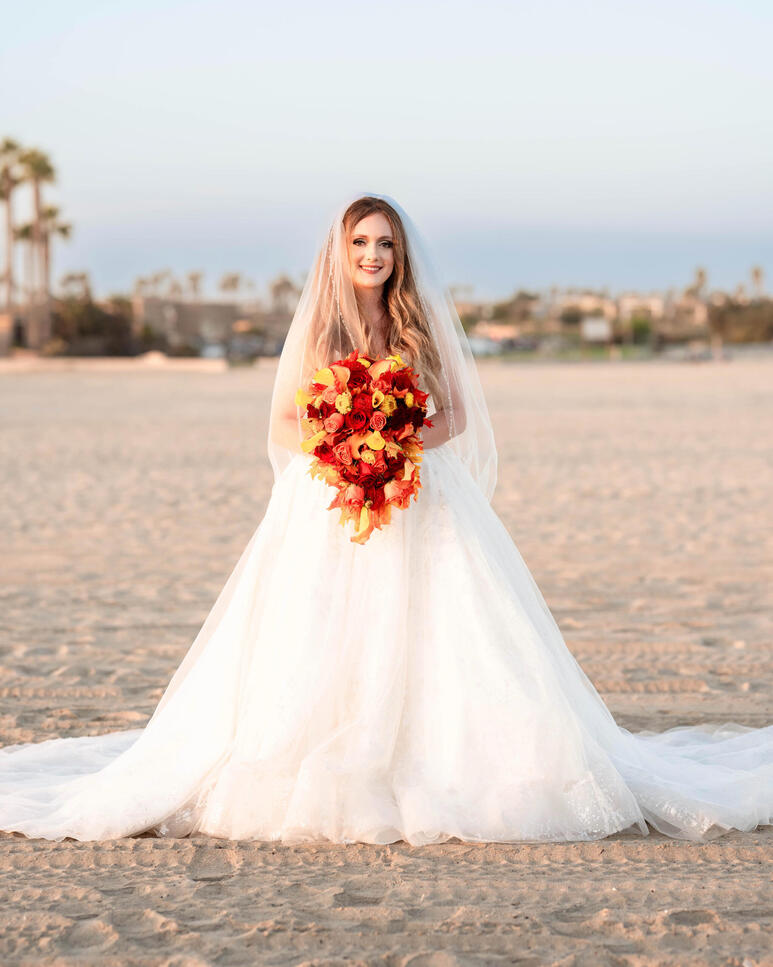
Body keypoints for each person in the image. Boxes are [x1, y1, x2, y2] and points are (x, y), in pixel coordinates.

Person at [0, 192, 771, 846]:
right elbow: (281, 424)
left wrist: (399, 443)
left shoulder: (416, 326)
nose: (373, 255)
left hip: (417, 495)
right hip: (331, 498)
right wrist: (344, 448)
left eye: (385, 244)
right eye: (361, 242)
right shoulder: (318, 328)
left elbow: (455, 418)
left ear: (401, 255)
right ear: (338, 252)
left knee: (446, 633)